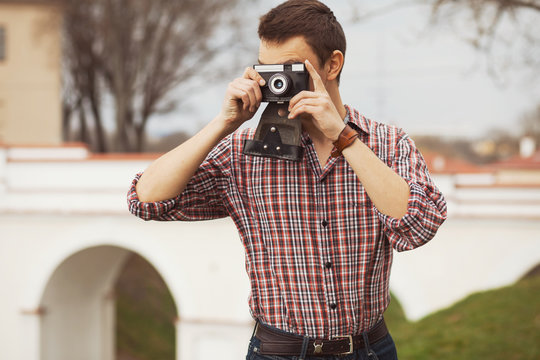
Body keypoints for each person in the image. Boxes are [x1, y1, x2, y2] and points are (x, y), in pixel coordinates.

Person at [127, 1, 447, 359]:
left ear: (333, 64)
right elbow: (145, 200)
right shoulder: (244, 151)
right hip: (278, 351)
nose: (278, 80)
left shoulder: (387, 145)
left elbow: (418, 227)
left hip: (367, 349)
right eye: (267, 69)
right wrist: (223, 124)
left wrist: (343, 137)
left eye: (290, 68)